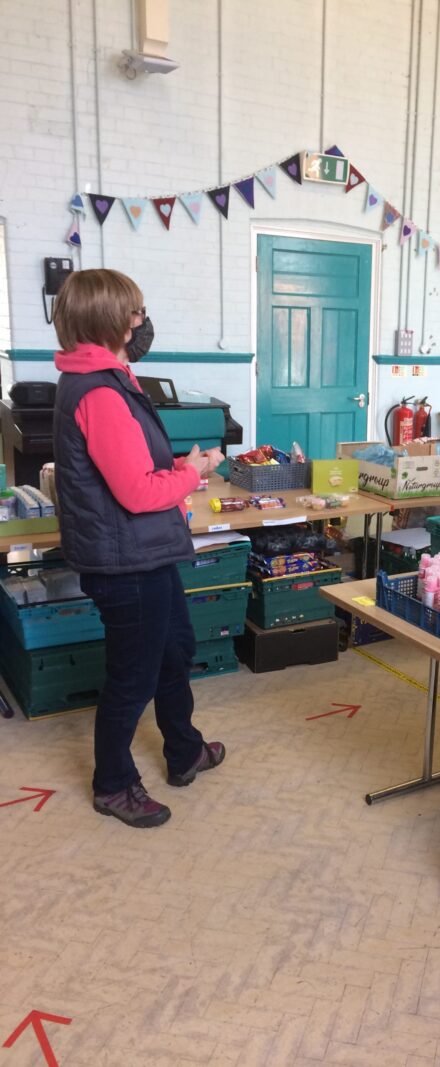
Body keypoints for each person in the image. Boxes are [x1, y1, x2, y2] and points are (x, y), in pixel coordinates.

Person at [52, 269, 226, 828]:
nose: (141, 322)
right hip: (125, 560)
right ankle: (113, 784)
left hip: (143, 550)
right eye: (135, 312)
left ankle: (185, 749)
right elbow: (133, 491)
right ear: (111, 320)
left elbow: (127, 470)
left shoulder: (107, 377)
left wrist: (175, 467)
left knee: (174, 649)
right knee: (134, 675)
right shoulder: (100, 392)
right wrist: (194, 473)